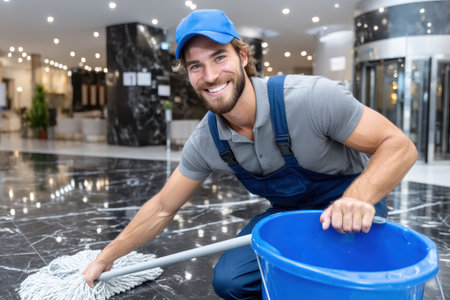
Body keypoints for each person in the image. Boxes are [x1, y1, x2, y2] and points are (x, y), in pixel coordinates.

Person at [83, 9, 417, 299]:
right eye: (195, 66)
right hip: (286, 216)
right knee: (230, 280)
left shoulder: (310, 99)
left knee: (341, 283)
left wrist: (358, 197)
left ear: (242, 56)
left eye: (219, 57)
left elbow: (399, 146)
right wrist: (106, 256)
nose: (210, 76)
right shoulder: (207, 140)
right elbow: (161, 208)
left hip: (353, 210)